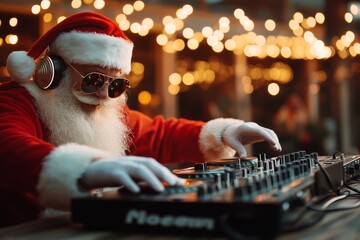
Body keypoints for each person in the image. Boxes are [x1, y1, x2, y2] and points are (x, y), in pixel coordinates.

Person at [0, 11, 281, 227]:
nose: (102, 93)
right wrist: (86, 169)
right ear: (54, 71)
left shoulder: (108, 110)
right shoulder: (17, 100)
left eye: (115, 86)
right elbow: (8, 147)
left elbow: (161, 133)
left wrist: (225, 132)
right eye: (93, 79)